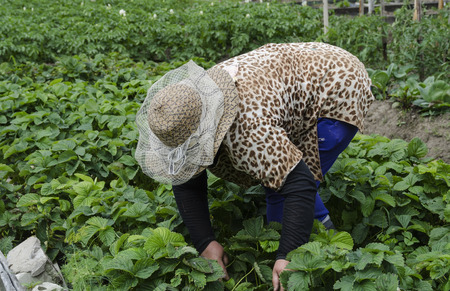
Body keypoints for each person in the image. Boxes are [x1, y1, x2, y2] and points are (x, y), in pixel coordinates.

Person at [135, 42, 374, 290]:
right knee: (279, 178)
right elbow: (186, 176)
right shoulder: (188, 107)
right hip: (302, 69)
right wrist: (205, 242)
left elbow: (298, 184)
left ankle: (330, 248)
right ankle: (320, 235)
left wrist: (287, 254)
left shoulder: (248, 130)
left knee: (282, 189)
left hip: (338, 86)